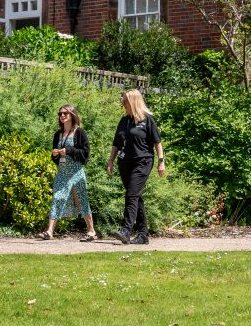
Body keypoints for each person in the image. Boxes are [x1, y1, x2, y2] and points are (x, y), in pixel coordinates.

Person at [107, 89, 164, 245]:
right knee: (135, 197)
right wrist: (111, 161)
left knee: (131, 194)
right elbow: (116, 143)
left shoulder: (147, 120)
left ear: (133, 101)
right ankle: (143, 234)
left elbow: (157, 142)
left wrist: (161, 161)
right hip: (124, 162)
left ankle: (125, 230)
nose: (122, 103)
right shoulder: (124, 121)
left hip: (143, 161)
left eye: (124, 100)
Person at [40, 104, 98, 242]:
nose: (62, 116)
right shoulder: (57, 134)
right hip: (62, 172)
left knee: (80, 200)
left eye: (65, 113)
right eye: (60, 114)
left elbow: (85, 154)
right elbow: (55, 159)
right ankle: (49, 231)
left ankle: (91, 231)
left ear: (72, 115)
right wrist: (55, 154)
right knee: (57, 198)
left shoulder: (79, 133)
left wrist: (69, 151)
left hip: (76, 173)